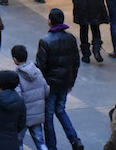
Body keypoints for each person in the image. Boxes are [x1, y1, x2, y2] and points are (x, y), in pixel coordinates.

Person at [35, 8, 83, 150]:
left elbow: (41, 66)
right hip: (65, 82)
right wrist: (71, 82)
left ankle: (52, 146)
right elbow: (76, 63)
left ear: (50, 21)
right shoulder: (71, 38)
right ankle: (75, 140)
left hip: (50, 84)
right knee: (60, 110)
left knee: (48, 116)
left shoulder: (45, 41)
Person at [12, 44, 49, 150]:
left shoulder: (17, 76)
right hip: (37, 114)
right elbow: (46, 90)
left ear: (15, 59)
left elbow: (18, 98)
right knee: (40, 141)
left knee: (18, 141)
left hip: (23, 116)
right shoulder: (37, 71)